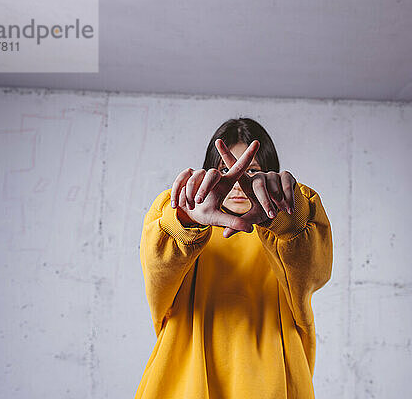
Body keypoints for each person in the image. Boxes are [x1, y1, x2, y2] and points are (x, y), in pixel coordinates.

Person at [134, 118, 333, 398]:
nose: (238, 182)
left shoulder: (286, 237)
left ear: (271, 176)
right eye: (226, 169)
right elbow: (158, 271)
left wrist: (290, 215)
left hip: (271, 382)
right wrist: (186, 218)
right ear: (207, 175)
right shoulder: (184, 232)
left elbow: (314, 268)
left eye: (251, 170)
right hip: (186, 383)